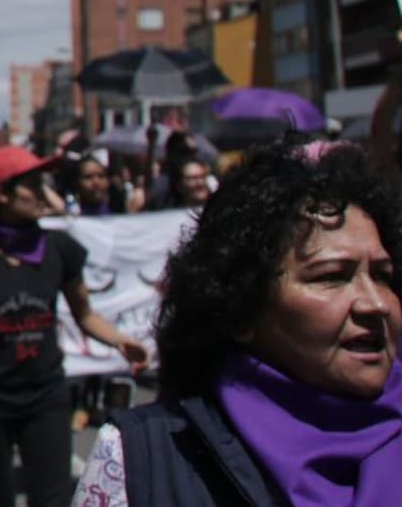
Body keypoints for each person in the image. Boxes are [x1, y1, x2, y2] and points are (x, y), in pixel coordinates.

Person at [74, 138, 402, 506]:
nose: (376, 304)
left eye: (383, 276)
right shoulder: (140, 461)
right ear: (242, 308)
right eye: (331, 276)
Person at [0, 145, 147, 507]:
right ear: (2, 194)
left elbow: (85, 314)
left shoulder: (60, 248)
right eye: (33, 183)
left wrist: (121, 341)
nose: (43, 192)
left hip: (45, 396)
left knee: (52, 499)